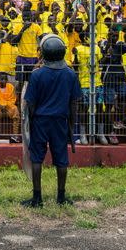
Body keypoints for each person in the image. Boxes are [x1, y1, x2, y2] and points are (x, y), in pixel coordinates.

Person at [21, 34, 82, 207]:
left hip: (40, 120)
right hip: (60, 120)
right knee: (61, 159)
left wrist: (32, 122)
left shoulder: (37, 75)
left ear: (44, 53)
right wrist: (71, 123)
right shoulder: (70, 74)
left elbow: (30, 103)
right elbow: (73, 103)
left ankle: (37, 198)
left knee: (37, 159)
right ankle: (61, 197)